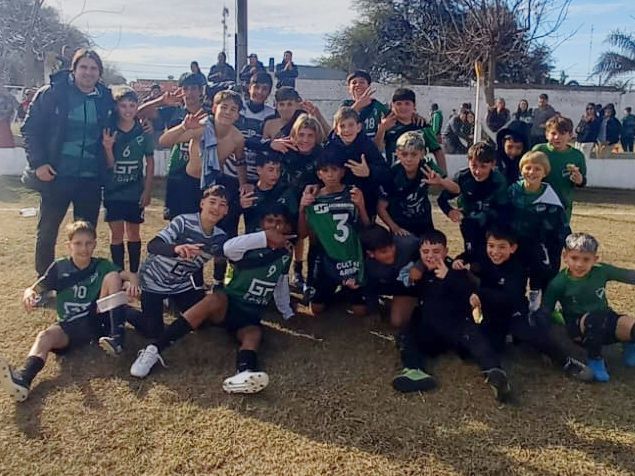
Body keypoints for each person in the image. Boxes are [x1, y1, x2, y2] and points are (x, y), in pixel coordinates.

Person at [130, 210, 294, 394]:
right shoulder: (249, 245)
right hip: (228, 304)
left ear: (288, 226)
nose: (274, 225)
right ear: (261, 225)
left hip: (250, 314)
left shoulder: (287, 251)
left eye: (279, 221)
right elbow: (228, 249)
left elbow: (281, 282)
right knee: (213, 299)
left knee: (253, 335)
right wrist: (264, 237)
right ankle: (153, 350)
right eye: (269, 220)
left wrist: (287, 311)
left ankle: (244, 372)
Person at [0, 221, 139, 402]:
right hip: (69, 327)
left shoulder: (102, 265)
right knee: (44, 336)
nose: (84, 248)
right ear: (69, 246)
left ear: (95, 244)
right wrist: (29, 294)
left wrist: (133, 282)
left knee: (113, 276)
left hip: (96, 322)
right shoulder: (59, 267)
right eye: (78, 243)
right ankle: (23, 379)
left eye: (89, 243)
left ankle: (117, 339)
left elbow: (129, 275)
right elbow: (34, 288)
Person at [21, 48, 115, 277]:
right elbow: (30, 130)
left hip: (90, 179)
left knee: (86, 235)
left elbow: (122, 120)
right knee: (47, 232)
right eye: (83, 67)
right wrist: (39, 163)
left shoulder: (104, 99)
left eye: (93, 68)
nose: (88, 72)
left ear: (99, 73)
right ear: (73, 69)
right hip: (56, 176)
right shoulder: (52, 93)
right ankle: (44, 281)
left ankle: (80, 281)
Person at [459, 228, 593, 381]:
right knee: (477, 344)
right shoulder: (484, 259)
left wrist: (480, 294)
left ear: (513, 248)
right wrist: (460, 261)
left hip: (514, 312)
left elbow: (510, 297)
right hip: (491, 315)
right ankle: (495, 372)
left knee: (532, 334)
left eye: (502, 247)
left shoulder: (517, 267)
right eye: (491, 246)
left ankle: (566, 361)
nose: (495, 251)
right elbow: (469, 258)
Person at [406, 230, 513, 402]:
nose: (431, 256)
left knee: (475, 335)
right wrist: (414, 275)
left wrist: (448, 277)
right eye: (425, 252)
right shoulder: (419, 271)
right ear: (419, 253)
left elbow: (470, 293)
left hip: (456, 329)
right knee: (414, 324)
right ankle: (413, 369)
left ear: (446, 252)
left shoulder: (455, 269)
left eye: (436, 251)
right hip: (433, 331)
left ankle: (495, 373)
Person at [131, 185, 229, 339]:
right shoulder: (183, 221)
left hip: (181, 284)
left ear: (226, 211)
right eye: (212, 201)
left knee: (202, 323)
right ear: (202, 203)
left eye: (222, 205)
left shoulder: (221, 237)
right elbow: (153, 245)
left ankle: (170, 302)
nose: (216, 207)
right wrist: (177, 249)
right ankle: (122, 309)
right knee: (153, 333)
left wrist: (218, 284)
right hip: (153, 281)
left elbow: (222, 259)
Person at [538, 233, 635, 382]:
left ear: (595, 259)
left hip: (605, 318)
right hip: (579, 328)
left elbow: (628, 276)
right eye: (574, 258)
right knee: (594, 320)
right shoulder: (558, 282)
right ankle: (595, 359)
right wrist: (545, 346)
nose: (579, 264)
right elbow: (546, 310)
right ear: (565, 257)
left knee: (630, 324)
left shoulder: (601, 271)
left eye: (586, 259)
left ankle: (630, 344)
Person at [361, 226, 436, 392]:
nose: (391, 253)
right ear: (371, 254)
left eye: (391, 247)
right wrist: (373, 310)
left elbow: (432, 249)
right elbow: (369, 288)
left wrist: (420, 266)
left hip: (425, 287)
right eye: (384, 252)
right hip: (404, 291)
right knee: (398, 321)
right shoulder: (368, 267)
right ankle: (413, 367)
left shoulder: (408, 243)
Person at [298, 155, 370, 317]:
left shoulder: (352, 193)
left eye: (334, 170)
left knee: (360, 311)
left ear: (342, 172)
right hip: (327, 257)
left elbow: (366, 228)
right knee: (316, 309)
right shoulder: (314, 198)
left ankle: (347, 290)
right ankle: (336, 290)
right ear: (319, 174)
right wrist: (302, 209)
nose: (330, 175)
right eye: (325, 170)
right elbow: (302, 234)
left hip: (351, 256)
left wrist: (361, 206)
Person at [138, 72, 207, 220]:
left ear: (201, 90)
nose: (189, 93)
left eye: (194, 88)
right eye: (185, 88)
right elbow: (137, 113)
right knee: (176, 224)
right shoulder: (173, 111)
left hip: (202, 176)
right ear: (180, 90)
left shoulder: (210, 113)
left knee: (202, 222)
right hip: (177, 174)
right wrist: (160, 101)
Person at [102, 87, 154, 273]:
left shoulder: (144, 130)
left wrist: (147, 191)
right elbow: (109, 165)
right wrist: (108, 148)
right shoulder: (110, 130)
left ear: (137, 107)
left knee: (133, 232)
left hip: (135, 191)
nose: (128, 110)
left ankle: (133, 273)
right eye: (123, 105)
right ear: (116, 107)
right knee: (116, 234)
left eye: (132, 105)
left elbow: (150, 161)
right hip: (113, 191)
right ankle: (118, 274)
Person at [507, 151, 567, 311]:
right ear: (521, 170)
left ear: (545, 172)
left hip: (541, 247)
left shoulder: (551, 197)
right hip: (515, 245)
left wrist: (564, 244)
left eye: (537, 169)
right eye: (528, 168)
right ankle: (516, 309)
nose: (532, 172)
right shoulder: (512, 191)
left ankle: (542, 310)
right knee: (515, 278)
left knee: (541, 278)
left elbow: (561, 225)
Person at [377, 131, 458, 238]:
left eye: (414, 154)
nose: (409, 159)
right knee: (407, 244)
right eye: (404, 154)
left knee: (437, 244)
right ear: (397, 153)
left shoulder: (427, 167)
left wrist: (441, 181)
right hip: (402, 226)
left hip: (425, 224)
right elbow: (381, 207)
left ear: (423, 153)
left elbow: (456, 189)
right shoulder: (392, 174)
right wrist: (395, 228)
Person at [438, 142, 508, 263]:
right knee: (472, 256)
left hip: (491, 224)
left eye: (483, 166)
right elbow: (441, 199)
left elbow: (504, 209)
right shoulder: (462, 178)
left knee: (489, 258)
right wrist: (450, 211)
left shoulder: (498, 181)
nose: (477, 171)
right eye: (474, 165)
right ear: (468, 162)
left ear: (493, 164)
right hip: (469, 224)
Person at [278, 114, 324, 290]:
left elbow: (328, 176)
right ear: (294, 135)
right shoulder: (285, 150)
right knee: (289, 236)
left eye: (310, 135)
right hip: (288, 198)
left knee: (310, 236)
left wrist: (318, 188)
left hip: (311, 199)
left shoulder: (321, 154)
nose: (305, 140)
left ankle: (303, 272)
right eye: (301, 134)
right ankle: (282, 276)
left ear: (316, 136)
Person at [322, 106, 389, 219]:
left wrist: (369, 171)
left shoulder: (368, 146)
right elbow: (320, 171)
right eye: (342, 126)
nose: (347, 130)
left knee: (372, 235)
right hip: (336, 201)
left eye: (351, 125)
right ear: (336, 130)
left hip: (366, 199)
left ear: (359, 127)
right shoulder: (329, 148)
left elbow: (385, 172)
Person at [374, 88, 447, 173]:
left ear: (414, 105)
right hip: (394, 175)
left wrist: (443, 175)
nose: (403, 107)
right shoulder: (387, 125)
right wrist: (382, 129)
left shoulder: (423, 126)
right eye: (399, 104)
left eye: (407, 103)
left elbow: (437, 151)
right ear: (392, 105)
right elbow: (376, 150)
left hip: (419, 177)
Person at [532, 115, 586, 223]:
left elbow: (582, 181)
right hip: (539, 203)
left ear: (570, 135)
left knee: (560, 236)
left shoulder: (577, 156)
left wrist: (579, 180)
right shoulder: (539, 150)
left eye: (562, 133)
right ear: (546, 135)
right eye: (553, 133)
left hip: (563, 205)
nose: (557, 137)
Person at [240, 155, 297, 233]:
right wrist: (241, 207)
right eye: (271, 170)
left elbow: (294, 223)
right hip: (255, 241)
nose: (275, 174)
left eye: (278, 170)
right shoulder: (248, 193)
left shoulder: (286, 193)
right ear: (259, 170)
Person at [340, 70, 389, 139]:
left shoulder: (377, 105)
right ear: (349, 89)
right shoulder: (346, 105)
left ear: (368, 86)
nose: (357, 85)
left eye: (362, 82)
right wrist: (357, 105)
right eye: (354, 83)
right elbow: (339, 123)